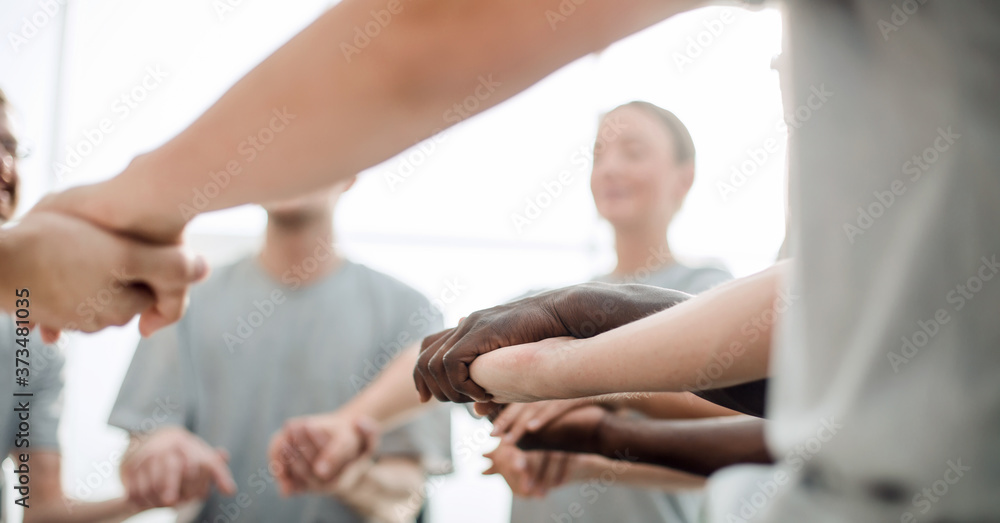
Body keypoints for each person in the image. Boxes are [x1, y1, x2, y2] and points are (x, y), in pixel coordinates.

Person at [24, 1, 1000, 521]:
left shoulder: (722, 284)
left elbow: (432, 36)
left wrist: (119, 207)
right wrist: (562, 353)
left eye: (633, 148)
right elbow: (816, 330)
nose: (796, 61)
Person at [107, 179, 452, 523]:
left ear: (351, 174)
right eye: (282, 149)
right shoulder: (184, 303)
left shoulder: (409, 313)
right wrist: (161, 453)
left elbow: (407, 499)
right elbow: (136, 457)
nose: (296, 162)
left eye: (312, 144)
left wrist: (349, 478)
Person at [485, 101, 735, 523]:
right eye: (599, 156)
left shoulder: (706, 290)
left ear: (684, 177)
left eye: (633, 152)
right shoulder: (546, 302)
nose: (609, 169)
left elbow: (735, 417)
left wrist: (591, 397)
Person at [0, 87, 144, 522]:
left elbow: (41, 507)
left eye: (10, 147)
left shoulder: (33, 338)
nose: (5, 165)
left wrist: (141, 500)